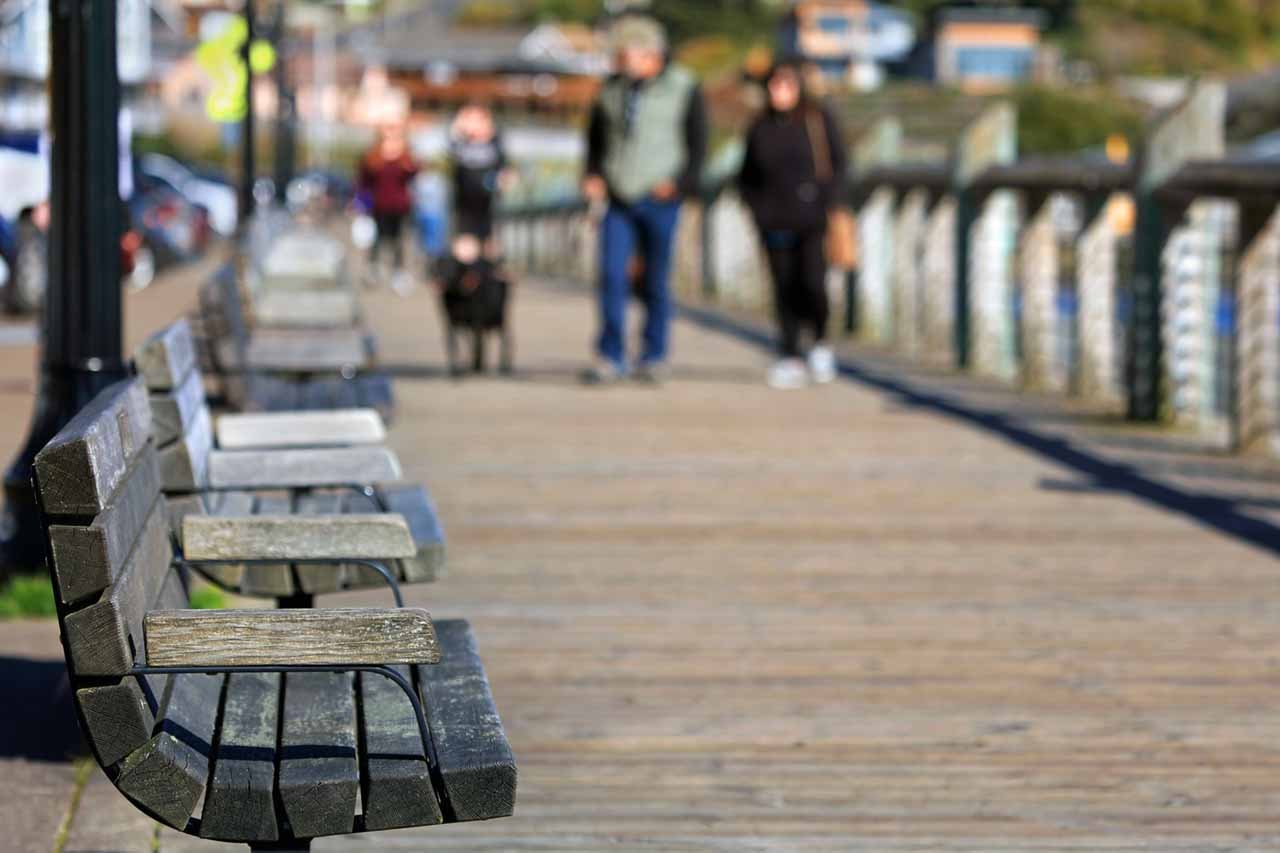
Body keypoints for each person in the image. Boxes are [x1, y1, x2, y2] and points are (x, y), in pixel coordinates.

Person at [581, 15, 707, 385]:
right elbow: (595, 138)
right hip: (618, 195)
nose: (619, 60)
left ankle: (654, 354)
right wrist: (591, 174)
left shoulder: (683, 86)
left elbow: (697, 141)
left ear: (649, 53)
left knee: (655, 277)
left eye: (624, 53)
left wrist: (681, 184)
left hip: (660, 196)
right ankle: (610, 353)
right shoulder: (611, 89)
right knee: (611, 274)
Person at [738, 60, 846, 390]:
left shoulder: (817, 120)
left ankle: (820, 342)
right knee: (783, 287)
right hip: (773, 220)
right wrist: (756, 209)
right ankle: (789, 353)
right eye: (774, 85)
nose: (779, 92)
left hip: (812, 218)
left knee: (813, 283)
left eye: (786, 85)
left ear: (799, 88)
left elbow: (839, 165)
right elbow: (746, 175)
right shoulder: (759, 126)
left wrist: (830, 202)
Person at [357, 123, 419, 292]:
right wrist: (361, 203)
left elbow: (414, 174)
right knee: (376, 238)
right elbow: (363, 182)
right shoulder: (373, 158)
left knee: (398, 239)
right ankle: (373, 268)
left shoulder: (406, 158)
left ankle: (398, 271)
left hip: (400, 206)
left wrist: (408, 164)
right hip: (378, 205)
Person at [448, 103, 512, 258]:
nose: (474, 125)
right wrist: (459, 127)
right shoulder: (460, 143)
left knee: (490, 251)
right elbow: (451, 147)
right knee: (465, 251)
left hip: (489, 207)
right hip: (465, 208)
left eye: (479, 120)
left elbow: (506, 169)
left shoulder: (495, 142)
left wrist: (503, 179)